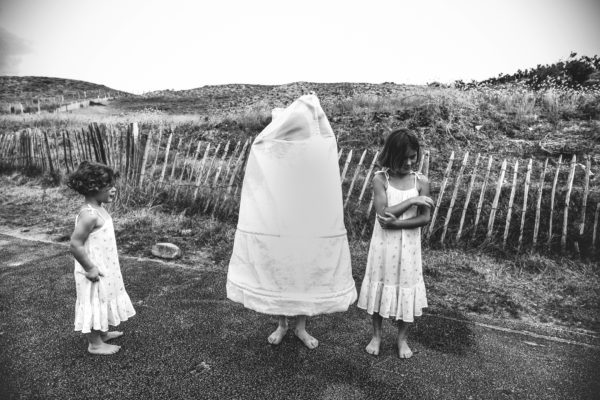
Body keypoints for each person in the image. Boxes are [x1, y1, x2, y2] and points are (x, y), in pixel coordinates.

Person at [227, 94, 357, 349]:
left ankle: (301, 327)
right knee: (281, 274)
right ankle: (282, 324)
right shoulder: (274, 150)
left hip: (307, 226)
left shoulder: (317, 149)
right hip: (279, 225)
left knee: (304, 275)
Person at [357, 129, 433, 358]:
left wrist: (397, 224)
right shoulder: (381, 179)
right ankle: (377, 336)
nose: (410, 162)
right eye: (404, 158)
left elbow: (425, 218)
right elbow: (382, 214)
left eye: (413, 157)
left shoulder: (421, 181)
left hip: (409, 245)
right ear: (391, 155)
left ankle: (402, 339)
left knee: (405, 286)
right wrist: (412, 200)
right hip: (383, 246)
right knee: (381, 285)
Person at [67, 161, 136, 355]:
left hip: (106, 265)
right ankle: (95, 344)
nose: (114, 190)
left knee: (104, 296)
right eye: (109, 187)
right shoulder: (89, 215)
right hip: (93, 269)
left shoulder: (99, 208)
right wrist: (90, 268)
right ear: (93, 187)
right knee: (93, 299)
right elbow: (75, 244)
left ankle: (102, 332)